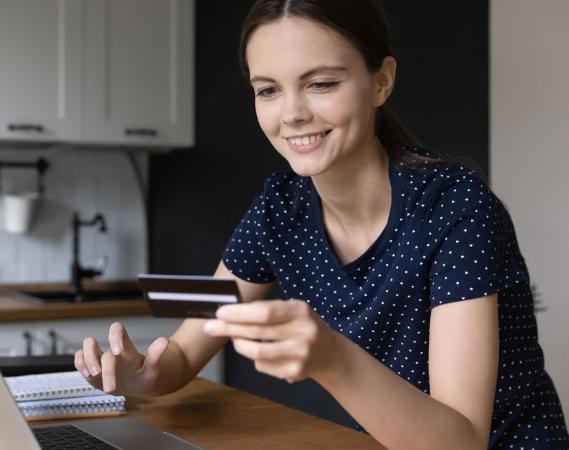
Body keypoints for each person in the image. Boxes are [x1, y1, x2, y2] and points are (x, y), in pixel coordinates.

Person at [73, 0, 569, 448]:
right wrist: (139, 377)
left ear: (381, 81)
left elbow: (461, 442)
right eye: (268, 90)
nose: (292, 113)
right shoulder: (278, 210)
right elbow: (181, 353)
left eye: (322, 83)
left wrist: (332, 357)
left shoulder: (457, 207)